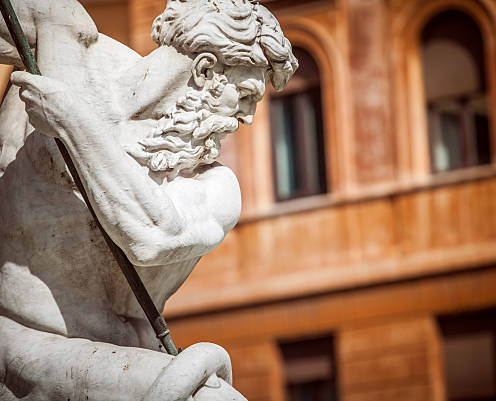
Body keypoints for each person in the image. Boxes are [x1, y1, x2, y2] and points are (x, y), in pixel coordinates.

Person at [0, 0, 298, 399]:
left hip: (88, 360)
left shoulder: (216, 187)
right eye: (245, 96)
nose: (247, 117)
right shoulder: (68, 43)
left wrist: (73, 123)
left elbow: (152, 235)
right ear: (206, 69)